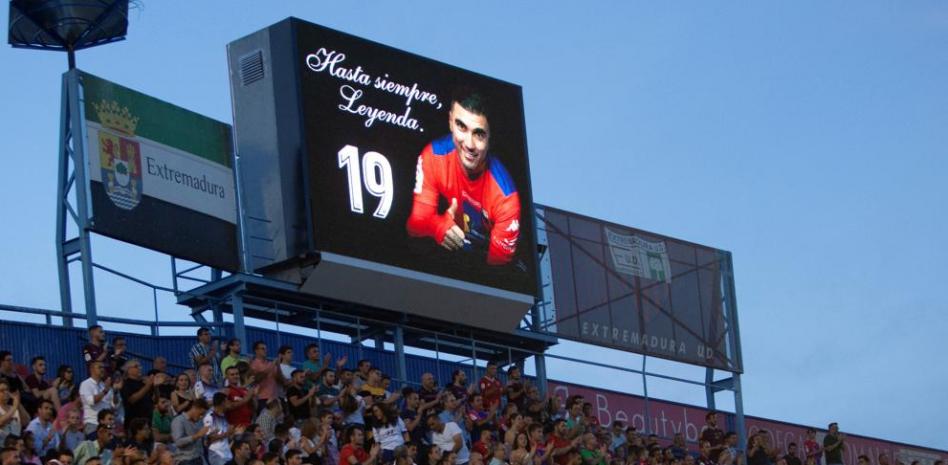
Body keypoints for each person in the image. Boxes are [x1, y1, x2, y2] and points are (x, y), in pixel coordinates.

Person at [406, 86, 522, 266]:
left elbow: (497, 275)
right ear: (451, 121)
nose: (469, 144)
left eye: (479, 134)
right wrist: (438, 226)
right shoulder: (433, 155)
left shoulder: (506, 197)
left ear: (490, 138)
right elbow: (416, 224)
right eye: (461, 126)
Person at [78, 361, 120, 434]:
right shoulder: (86, 384)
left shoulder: (105, 385)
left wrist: (115, 391)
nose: (102, 369)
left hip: (107, 424)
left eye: (103, 367)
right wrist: (105, 391)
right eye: (99, 367)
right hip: (93, 423)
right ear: (91, 369)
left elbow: (114, 405)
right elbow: (91, 402)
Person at [121, 359, 161, 429]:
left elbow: (156, 400)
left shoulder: (143, 383)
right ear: (128, 370)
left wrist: (156, 387)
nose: (140, 368)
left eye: (140, 366)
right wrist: (148, 385)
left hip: (148, 420)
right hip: (134, 422)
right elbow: (132, 399)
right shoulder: (126, 383)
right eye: (136, 366)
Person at [170, 398, 210, 465]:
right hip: (185, 459)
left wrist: (209, 438)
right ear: (194, 408)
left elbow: (203, 442)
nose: (201, 417)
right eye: (200, 414)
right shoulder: (178, 421)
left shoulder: (199, 422)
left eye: (203, 415)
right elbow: (178, 442)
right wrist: (197, 436)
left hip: (199, 457)